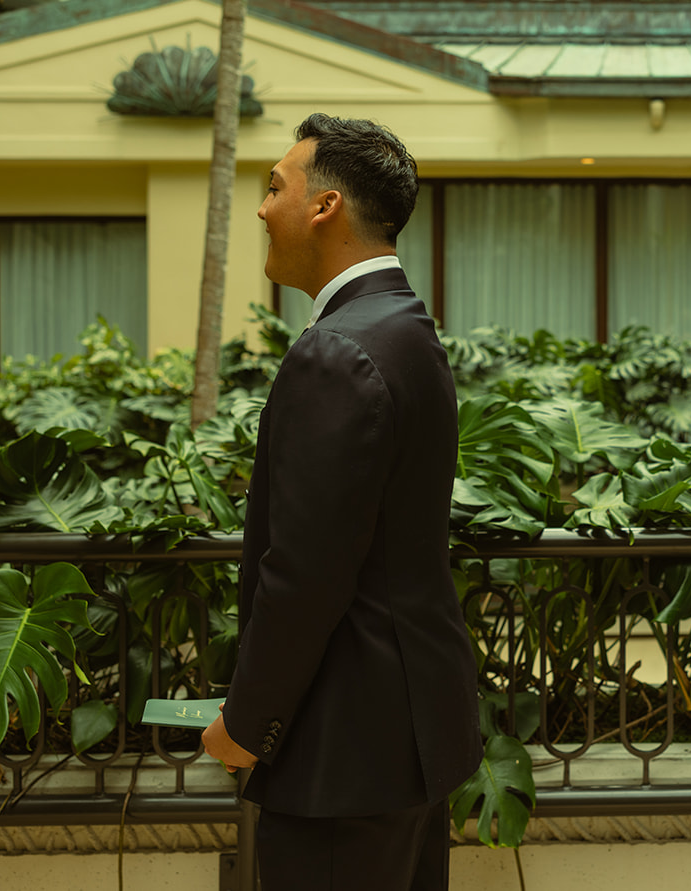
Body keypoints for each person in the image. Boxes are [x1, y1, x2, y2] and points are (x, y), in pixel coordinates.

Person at [202, 114, 481, 891]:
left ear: (324, 207)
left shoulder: (337, 349)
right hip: (408, 741)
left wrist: (245, 724)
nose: (261, 208)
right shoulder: (406, 327)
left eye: (274, 187)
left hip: (343, 756)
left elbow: (305, 573)